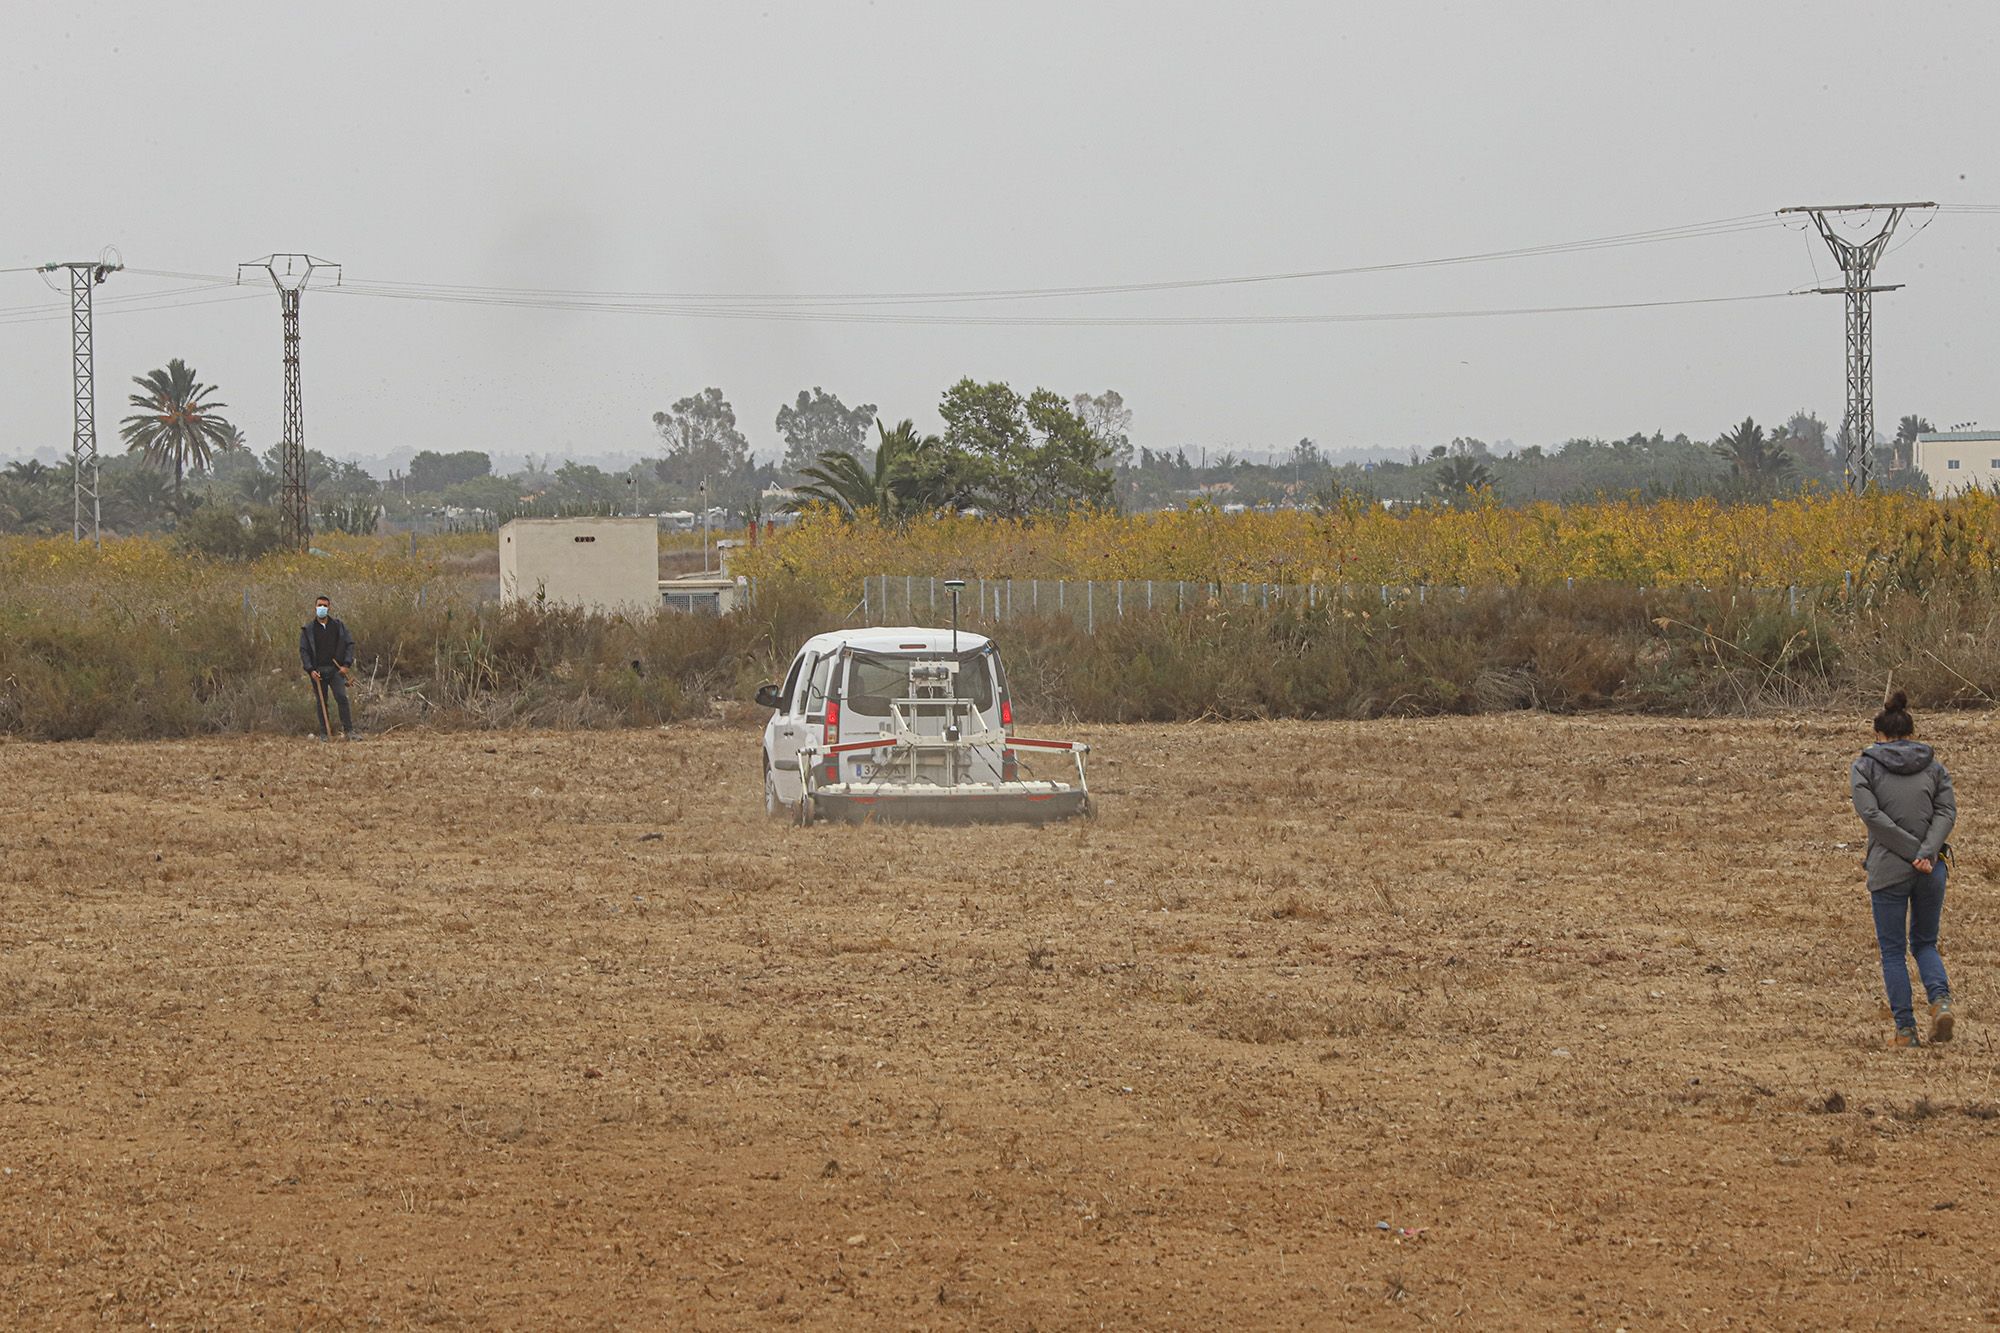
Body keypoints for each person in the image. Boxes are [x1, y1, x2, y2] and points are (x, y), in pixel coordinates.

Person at [1850, 691, 1956, 1048]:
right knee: (1925, 943)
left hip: (1888, 868)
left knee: (1893, 951)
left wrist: (1910, 851)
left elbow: (1872, 816)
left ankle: (1905, 1030)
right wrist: (1926, 852)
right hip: (1931, 868)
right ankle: (1940, 1002)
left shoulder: (1864, 766)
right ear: (1911, 732)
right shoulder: (1934, 766)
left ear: (1879, 735)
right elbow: (1946, 812)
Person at [299, 594, 357, 740]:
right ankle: (324, 733)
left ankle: (349, 732)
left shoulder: (338, 626)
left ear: (329, 607)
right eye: (320, 605)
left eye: (325, 605)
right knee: (321, 702)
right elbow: (304, 651)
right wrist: (310, 670)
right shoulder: (308, 629)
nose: (322, 608)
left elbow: (349, 644)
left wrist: (346, 665)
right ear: (315, 607)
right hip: (317, 671)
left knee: (342, 697)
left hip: (336, 669)